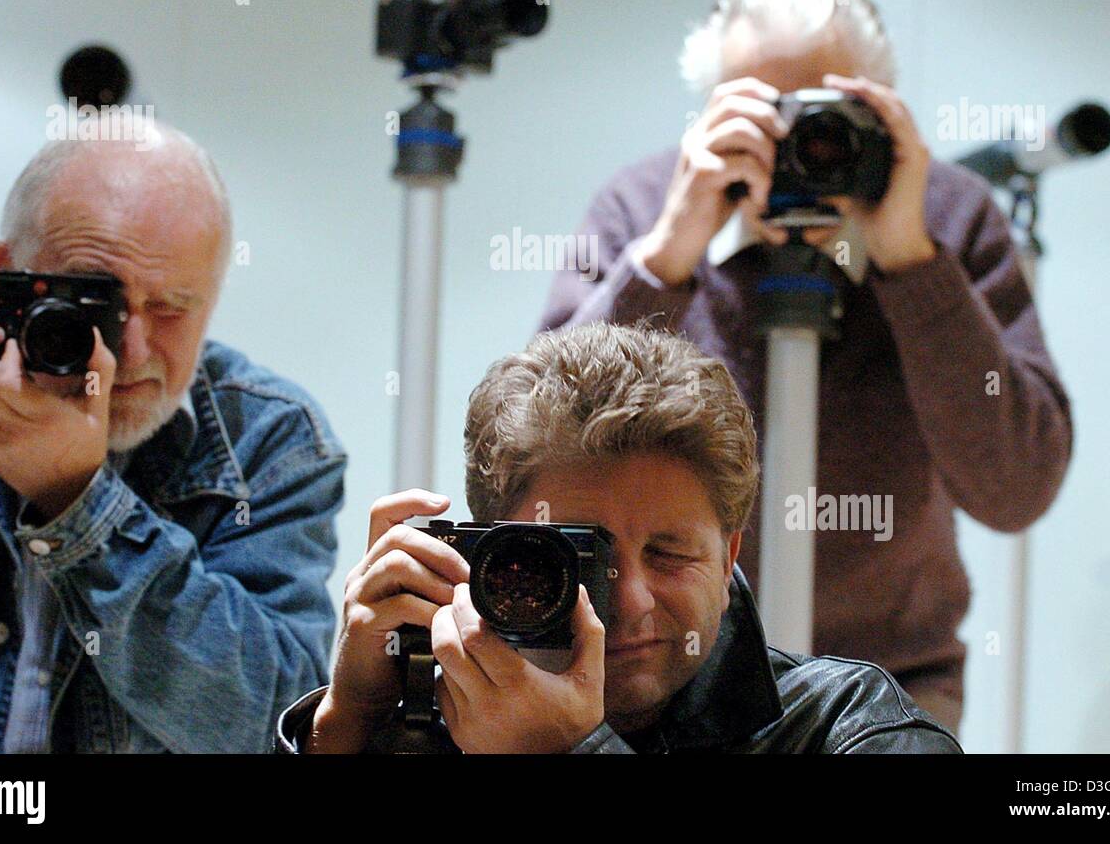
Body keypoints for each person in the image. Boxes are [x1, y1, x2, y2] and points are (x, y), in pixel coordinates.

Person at [536, 0, 1074, 733]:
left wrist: (913, 262)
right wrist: (667, 256)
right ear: (711, 110)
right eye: (763, 113)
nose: (796, 146)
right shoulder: (647, 205)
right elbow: (538, 451)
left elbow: (1016, 484)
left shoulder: (947, 216)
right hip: (652, 673)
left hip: (892, 677)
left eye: (826, 116)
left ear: (883, 108)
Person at [277, 322, 961, 754]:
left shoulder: (849, 727)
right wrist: (346, 720)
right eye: (584, 554)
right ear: (489, 553)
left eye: (669, 553)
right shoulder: (427, 721)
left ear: (728, 557)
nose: (630, 599)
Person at [0, 123, 345, 752]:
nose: (130, 352)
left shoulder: (269, 444)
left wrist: (78, 500)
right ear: (7, 271)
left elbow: (269, 724)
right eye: (95, 301)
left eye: (171, 308)